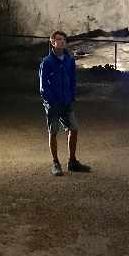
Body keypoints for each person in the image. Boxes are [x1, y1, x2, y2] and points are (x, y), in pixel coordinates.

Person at [38, 30, 91, 176]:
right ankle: (55, 162)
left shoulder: (69, 60)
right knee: (53, 132)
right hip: (53, 103)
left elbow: (72, 79)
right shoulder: (47, 62)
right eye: (58, 39)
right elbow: (43, 86)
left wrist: (72, 95)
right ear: (52, 42)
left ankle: (72, 161)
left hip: (66, 101)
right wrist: (50, 101)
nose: (61, 42)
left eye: (63, 39)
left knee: (73, 129)